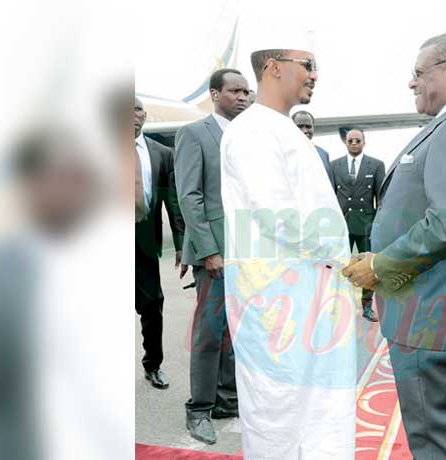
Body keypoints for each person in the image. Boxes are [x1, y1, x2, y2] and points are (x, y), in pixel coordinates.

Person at [342, 30, 446, 459]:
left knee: (435, 443)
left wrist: (380, 266)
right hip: (438, 308)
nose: (412, 82)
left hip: (431, 310)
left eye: (418, 73)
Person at [220, 35, 358, 459]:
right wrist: (341, 258)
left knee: (319, 405)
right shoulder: (253, 130)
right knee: (279, 411)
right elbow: (276, 213)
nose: (314, 75)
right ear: (273, 67)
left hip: (312, 291)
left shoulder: (282, 127)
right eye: (307, 63)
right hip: (277, 299)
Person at [173, 68, 248, 444]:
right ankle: (199, 408)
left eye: (246, 91)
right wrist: (209, 251)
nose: (243, 96)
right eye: (234, 90)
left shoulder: (247, 136)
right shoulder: (194, 134)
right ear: (214, 94)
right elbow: (190, 196)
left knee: (235, 331)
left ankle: (226, 399)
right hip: (213, 252)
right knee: (209, 330)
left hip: (245, 251)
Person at [134, 96, 185, 390]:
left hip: (144, 239)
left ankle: (153, 365)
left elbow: (173, 202)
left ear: (145, 115)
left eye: (137, 108)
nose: (132, 114)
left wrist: (180, 243)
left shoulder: (162, 154)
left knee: (152, 304)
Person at [331, 127, 384, 322]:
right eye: (350, 140)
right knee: (339, 264)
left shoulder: (376, 165)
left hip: (366, 225)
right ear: (345, 142)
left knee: (366, 265)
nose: (354, 144)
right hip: (342, 224)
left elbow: (381, 198)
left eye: (357, 141)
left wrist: (377, 224)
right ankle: (337, 305)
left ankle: (367, 306)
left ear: (364, 142)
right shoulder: (334, 166)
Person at [292, 110, 336, 189]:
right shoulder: (284, 152)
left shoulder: (323, 154)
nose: (305, 131)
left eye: (308, 126)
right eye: (300, 126)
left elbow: (330, 187)